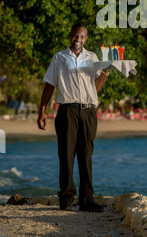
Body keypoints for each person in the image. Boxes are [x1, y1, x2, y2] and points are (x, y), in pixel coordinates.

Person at [37, 23, 109, 212]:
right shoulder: (60, 57)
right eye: (76, 36)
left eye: (82, 37)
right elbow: (49, 85)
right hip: (67, 111)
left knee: (86, 155)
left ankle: (87, 200)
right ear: (70, 35)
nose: (78, 40)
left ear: (86, 38)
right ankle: (67, 199)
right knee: (66, 156)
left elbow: (96, 86)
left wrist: (106, 72)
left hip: (88, 111)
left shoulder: (92, 57)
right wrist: (42, 111)